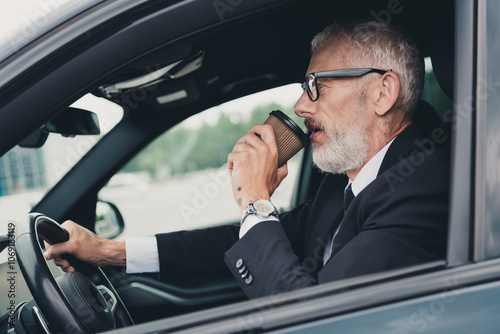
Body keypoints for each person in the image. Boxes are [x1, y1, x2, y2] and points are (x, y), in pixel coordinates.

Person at [44, 20, 449, 299]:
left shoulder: (422, 188)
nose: (299, 105)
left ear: (383, 92)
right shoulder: (341, 187)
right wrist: (107, 250)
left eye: (316, 86)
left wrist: (256, 201)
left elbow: (312, 319)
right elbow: (241, 244)